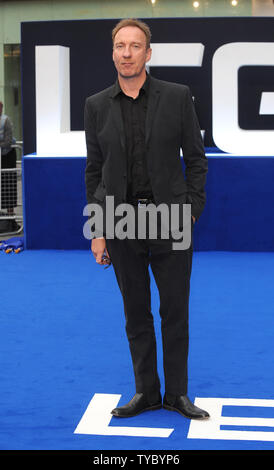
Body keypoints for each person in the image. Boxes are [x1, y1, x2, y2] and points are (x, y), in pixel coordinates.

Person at [84, 18, 209, 420]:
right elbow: (94, 170)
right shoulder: (96, 105)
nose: (127, 53)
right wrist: (98, 230)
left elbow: (196, 160)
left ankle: (177, 394)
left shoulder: (177, 97)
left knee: (175, 311)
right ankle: (146, 392)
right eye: (120, 46)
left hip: (170, 217)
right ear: (113, 53)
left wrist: (190, 209)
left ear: (148, 53)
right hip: (120, 222)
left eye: (135, 46)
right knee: (135, 312)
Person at [0, 101, 18, 230]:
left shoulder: (6, 121)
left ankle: (11, 220)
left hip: (7, 158)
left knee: (8, 188)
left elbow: (7, 141)